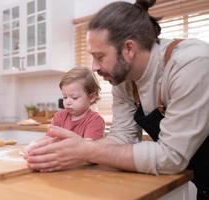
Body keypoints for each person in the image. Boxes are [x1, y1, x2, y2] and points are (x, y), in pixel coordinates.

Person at [25, 0, 209, 199]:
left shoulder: (191, 64)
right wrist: (72, 149)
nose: (94, 67)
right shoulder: (122, 80)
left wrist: (86, 151)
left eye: (100, 56)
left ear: (129, 49)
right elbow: (122, 138)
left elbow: (171, 157)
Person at [50, 67, 105, 140]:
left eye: (74, 98)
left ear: (91, 97)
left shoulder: (95, 120)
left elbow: (88, 148)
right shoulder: (59, 116)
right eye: (65, 97)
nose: (67, 102)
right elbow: (48, 139)